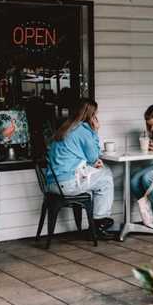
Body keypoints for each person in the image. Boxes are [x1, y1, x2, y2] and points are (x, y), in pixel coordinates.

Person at [45, 98, 114, 235]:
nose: (96, 117)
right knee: (106, 176)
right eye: (95, 114)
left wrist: (92, 162)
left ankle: (97, 220)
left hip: (53, 183)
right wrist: (95, 132)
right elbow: (94, 156)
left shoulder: (66, 128)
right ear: (90, 115)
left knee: (101, 175)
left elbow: (77, 155)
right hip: (67, 184)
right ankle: (99, 222)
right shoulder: (83, 130)